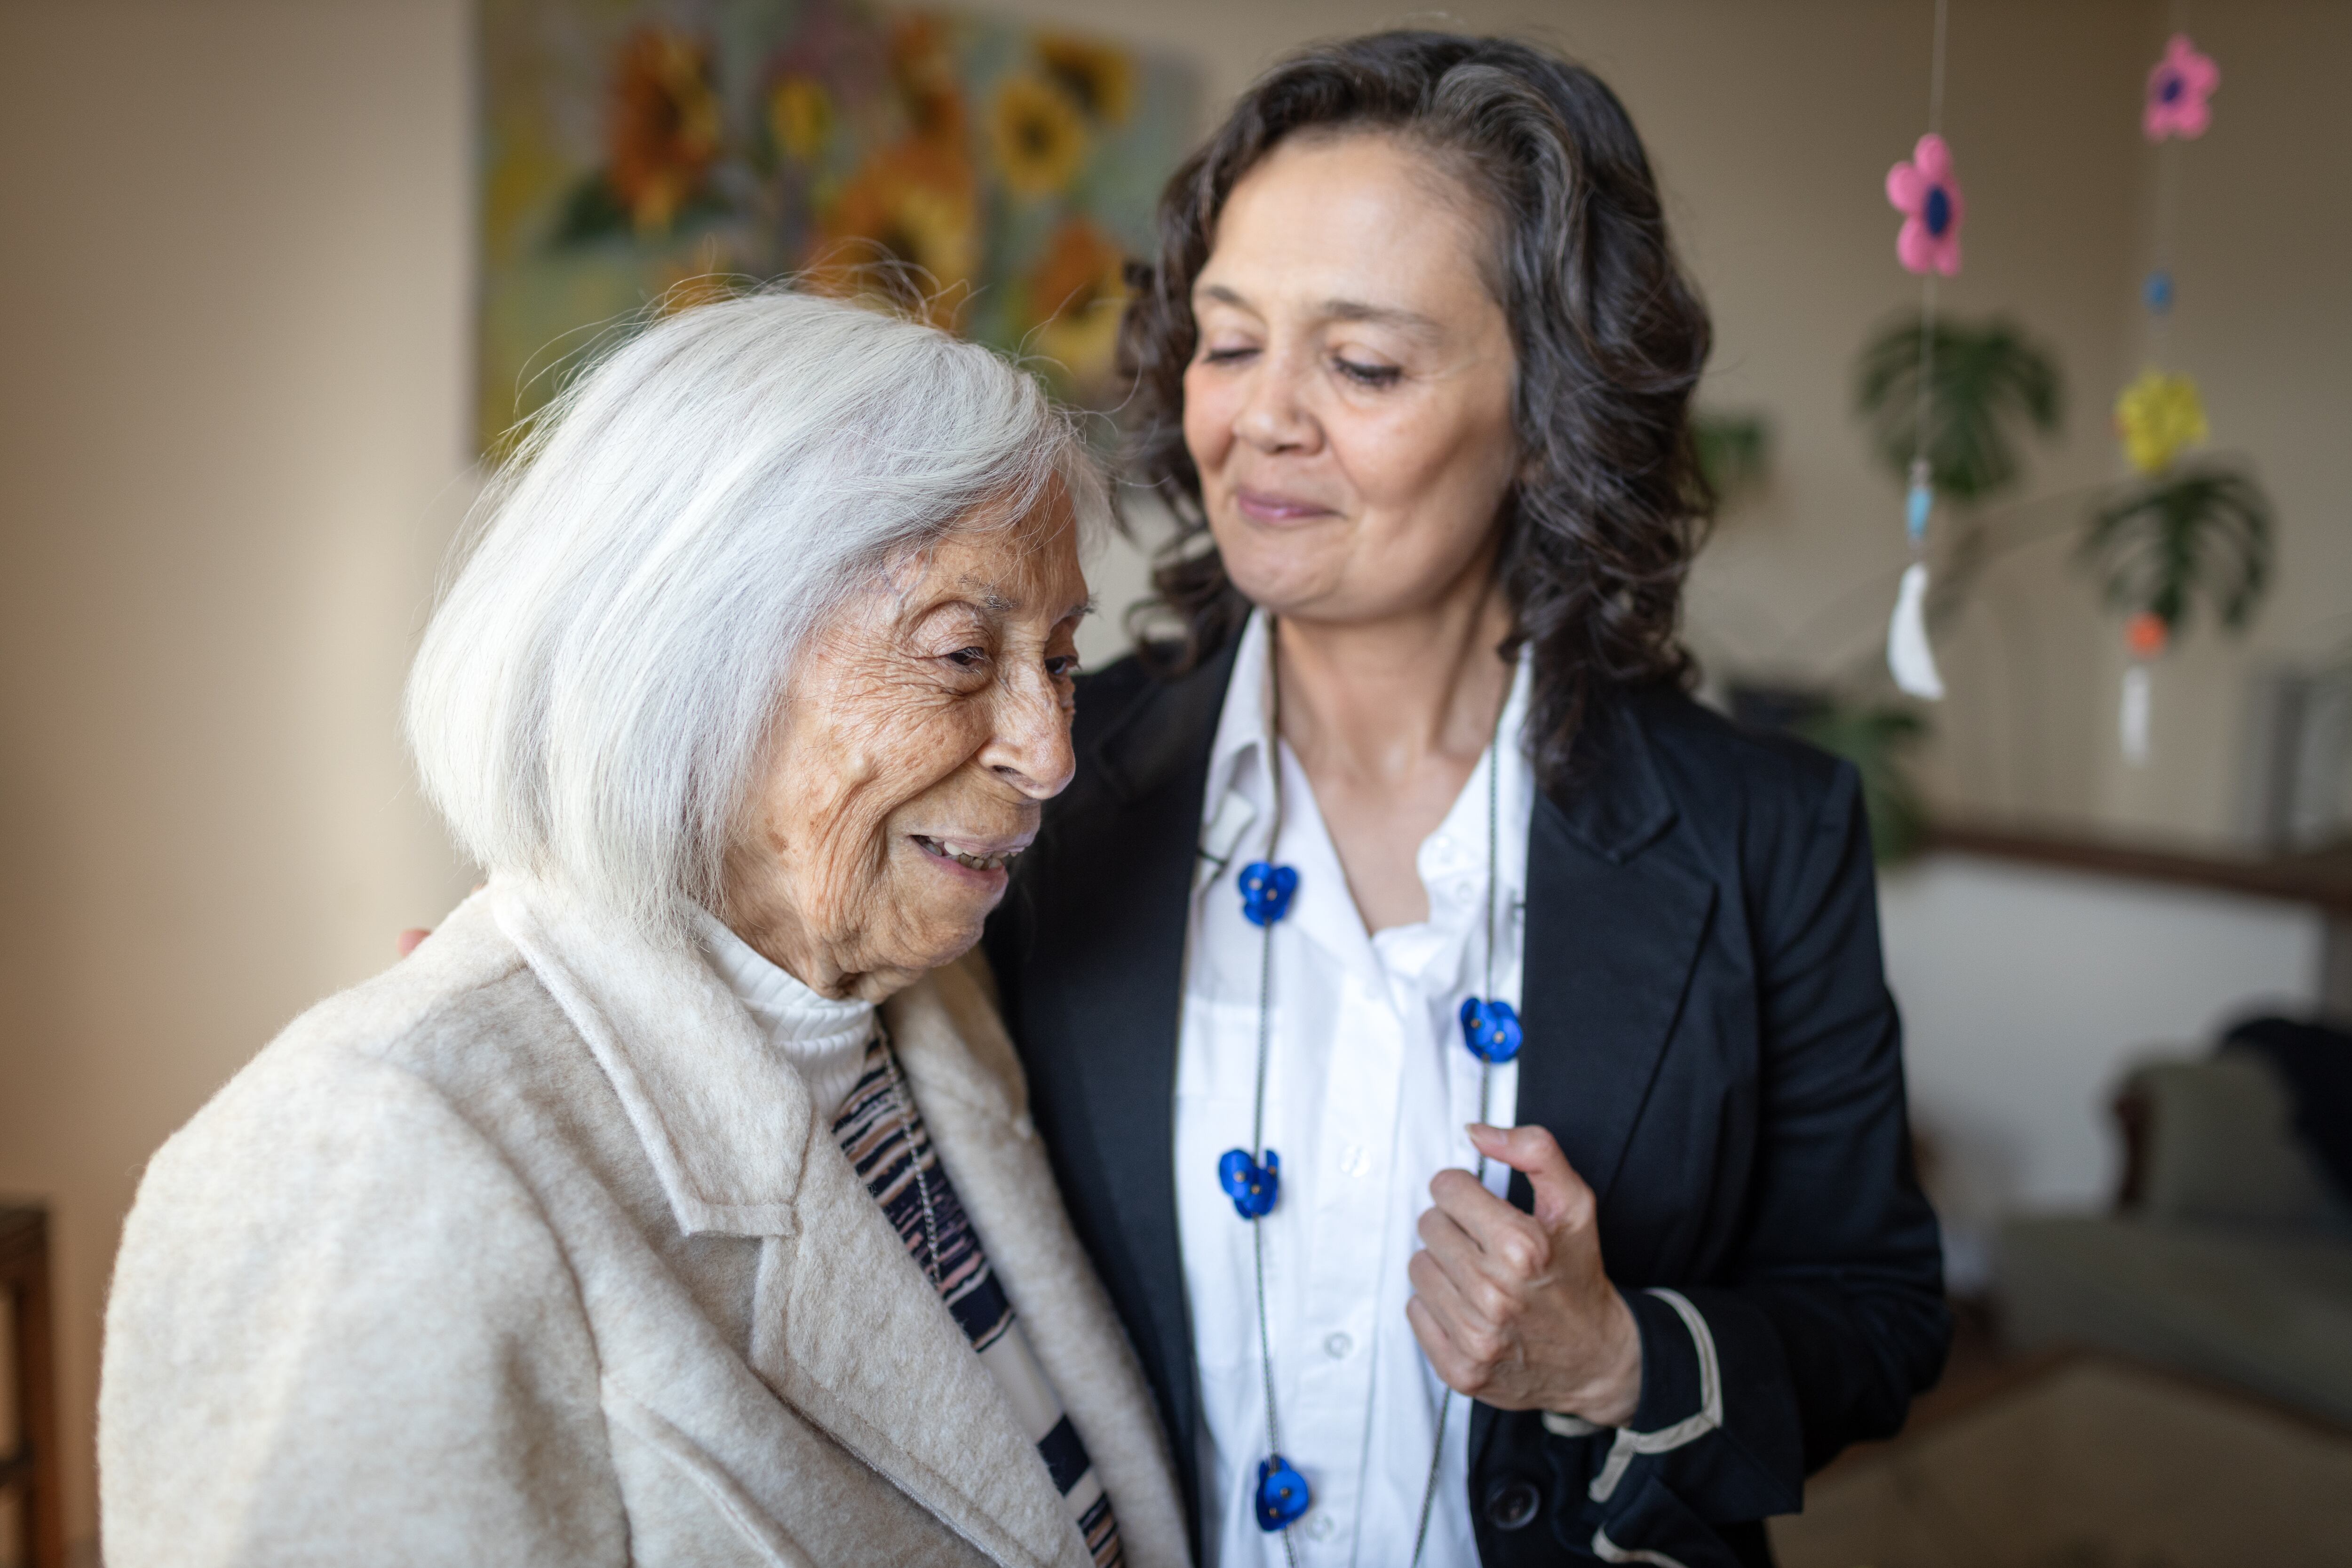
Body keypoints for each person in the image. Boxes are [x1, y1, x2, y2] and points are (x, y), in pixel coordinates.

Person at [984, 33, 1949, 1568]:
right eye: (1229, 344)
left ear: (1552, 414)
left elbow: (1877, 1315)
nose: (1262, 421)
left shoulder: (1765, 831)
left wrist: (1616, 1358)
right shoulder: (1032, 780)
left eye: (1361, 364)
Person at [99, 291, 1187, 1568]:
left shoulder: (931, 1016)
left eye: (1058, 657)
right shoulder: (362, 1155)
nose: (1050, 751)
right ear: (683, 665)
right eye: (959, 656)